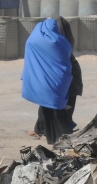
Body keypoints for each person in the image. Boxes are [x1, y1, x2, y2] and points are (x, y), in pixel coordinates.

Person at [22, 17, 75, 145]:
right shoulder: (60, 41)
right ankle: (62, 136)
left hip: (43, 81)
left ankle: (46, 131)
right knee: (57, 110)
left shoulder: (33, 41)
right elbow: (68, 52)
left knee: (50, 107)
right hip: (60, 81)